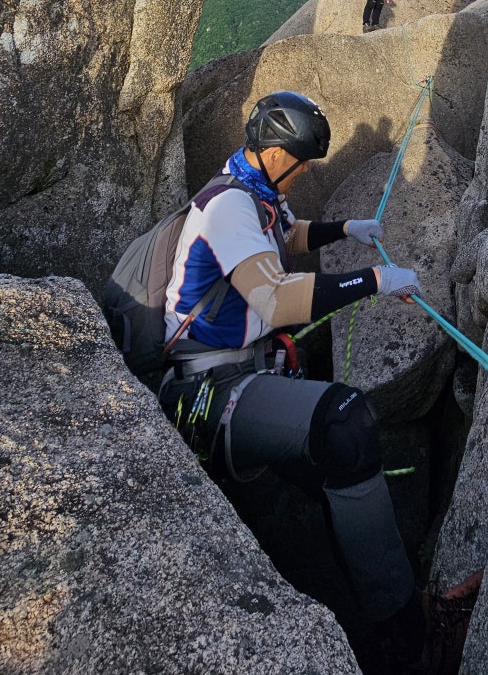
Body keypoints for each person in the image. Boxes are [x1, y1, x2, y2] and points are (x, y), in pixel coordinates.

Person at [159, 91, 427, 671]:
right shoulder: (229, 207)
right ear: (276, 154)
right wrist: (373, 281)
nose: (304, 172)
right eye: (302, 162)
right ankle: (402, 630)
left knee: (334, 469)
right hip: (210, 391)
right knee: (345, 424)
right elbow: (275, 301)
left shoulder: (252, 190)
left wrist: (345, 229)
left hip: (244, 369)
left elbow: (287, 235)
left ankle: (355, 591)